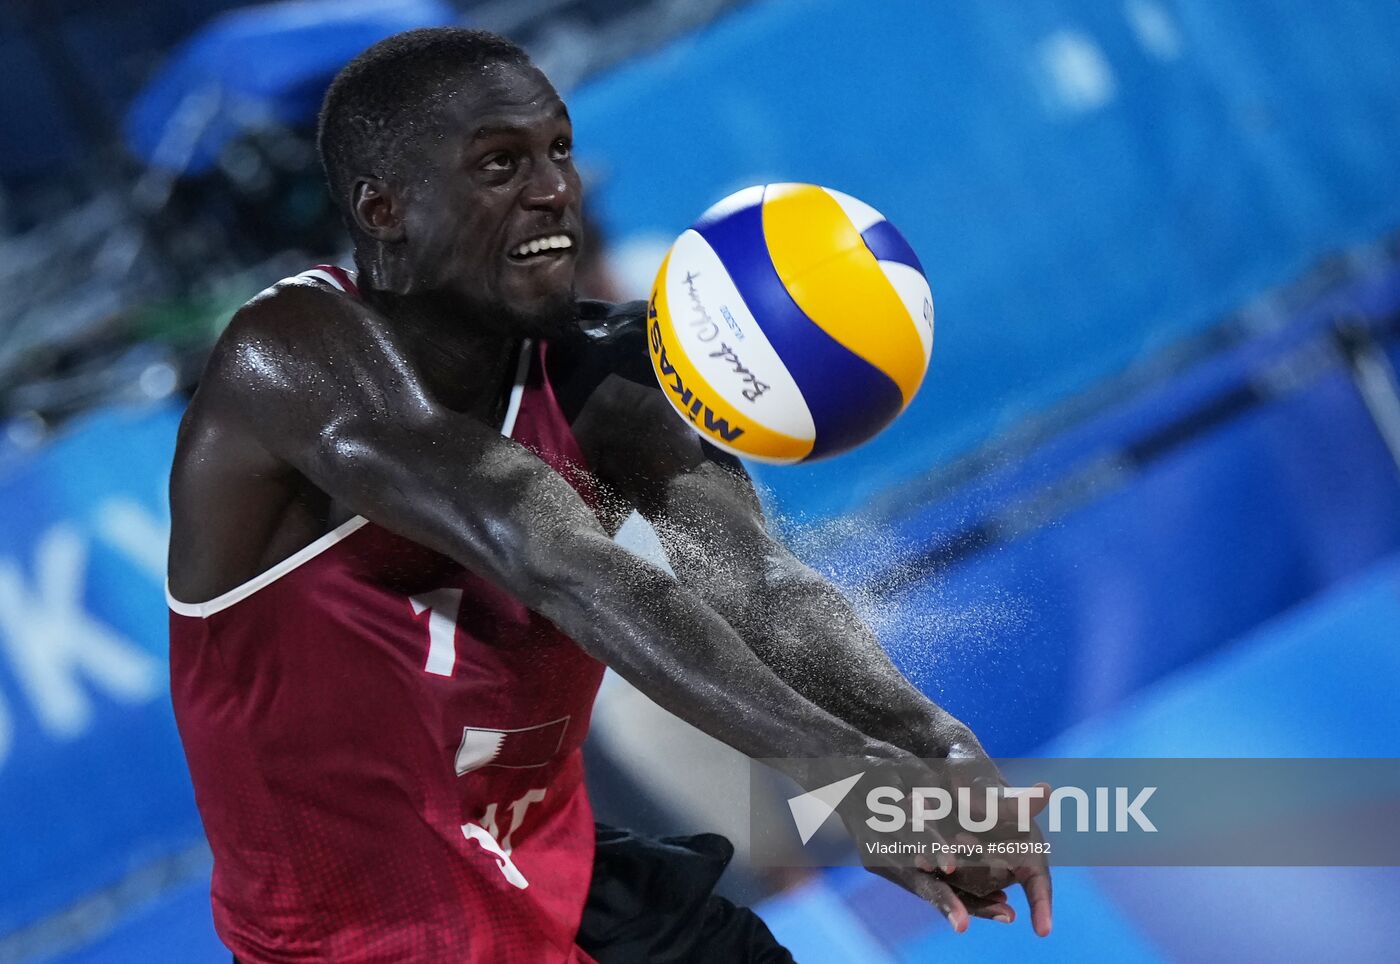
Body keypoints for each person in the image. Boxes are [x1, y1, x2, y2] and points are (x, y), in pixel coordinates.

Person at [165, 27, 1051, 963]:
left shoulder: (612, 373)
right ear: (386, 209)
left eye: (558, 150)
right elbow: (569, 568)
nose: (553, 187)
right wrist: (854, 778)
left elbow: (761, 590)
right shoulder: (290, 360)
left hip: (567, 881)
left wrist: (933, 749)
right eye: (500, 164)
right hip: (365, 941)